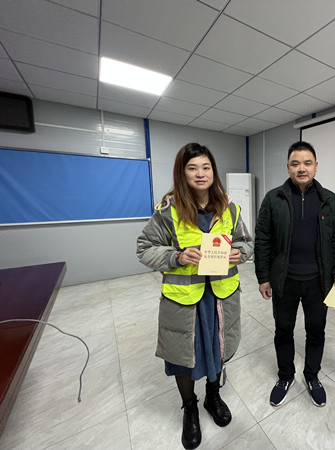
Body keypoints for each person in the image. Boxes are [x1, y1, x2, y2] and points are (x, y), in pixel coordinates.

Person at [136, 143, 253, 449]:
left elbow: (247, 242)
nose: (200, 174)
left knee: (218, 348)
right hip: (185, 300)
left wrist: (240, 253)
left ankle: (213, 396)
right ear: (182, 173)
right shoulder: (168, 211)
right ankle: (190, 407)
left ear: (213, 171)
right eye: (192, 168)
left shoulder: (230, 209)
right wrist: (176, 257)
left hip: (220, 297)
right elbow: (144, 248)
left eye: (206, 167)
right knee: (183, 358)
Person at [254, 141, 335, 408]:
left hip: (319, 282)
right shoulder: (273, 199)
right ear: (288, 167)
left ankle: (312, 376)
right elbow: (263, 240)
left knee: (316, 331)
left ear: (316, 167)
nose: (302, 168)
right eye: (295, 163)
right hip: (284, 281)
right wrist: (263, 277)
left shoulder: (330, 200)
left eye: (307, 163)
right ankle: (285, 376)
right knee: (283, 330)